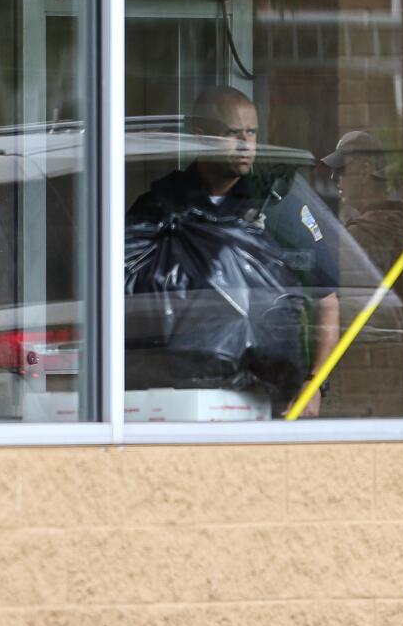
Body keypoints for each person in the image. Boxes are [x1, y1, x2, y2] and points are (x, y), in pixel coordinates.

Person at [127, 86, 339, 417]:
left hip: (265, 399)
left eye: (251, 133)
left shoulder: (276, 206)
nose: (245, 145)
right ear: (201, 137)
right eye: (233, 134)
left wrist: (314, 385)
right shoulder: (160, 207)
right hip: (172, 400)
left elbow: (326, 301)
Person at [321, 130, 403, 275]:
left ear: (364, 172)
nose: (333, 177)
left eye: (340, 169)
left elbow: (347, 295)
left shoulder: (361, 234)